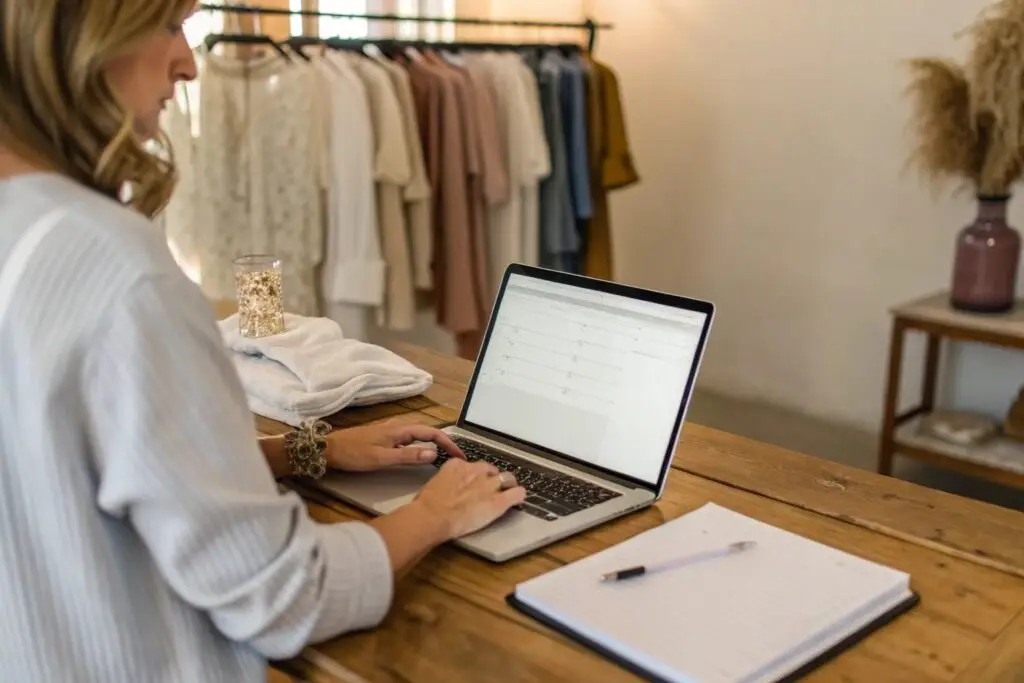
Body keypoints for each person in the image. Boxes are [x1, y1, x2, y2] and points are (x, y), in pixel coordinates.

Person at [0, 2, 526, 682]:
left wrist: (309, 449)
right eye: (167, 27)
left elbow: (76, 461)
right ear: (81, 34)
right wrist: (433, 513)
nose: (188, 63)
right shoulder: (121, 272)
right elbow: (281, 597)